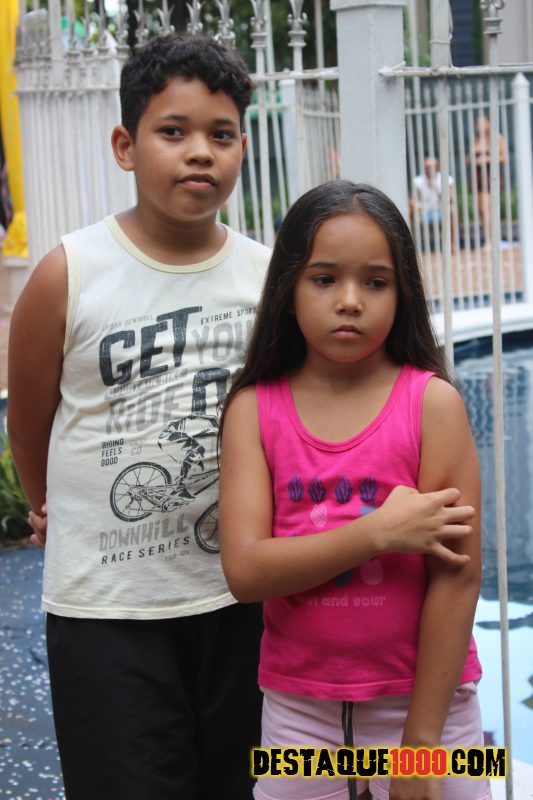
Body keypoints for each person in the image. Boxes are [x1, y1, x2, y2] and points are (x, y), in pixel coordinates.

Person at [8, 33, 272, 800]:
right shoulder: (70, 274)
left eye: (220, 134)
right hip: (106, 613)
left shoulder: (266, 277)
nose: (199, 152)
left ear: (242, 147)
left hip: (239, 601)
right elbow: (30, 419)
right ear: (125, 146)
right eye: (173, 131)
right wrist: (49, 505)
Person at [219, 180, 490, 800]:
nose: (349, 301)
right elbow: (246, 572)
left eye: (376, 282)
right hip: (299, 711)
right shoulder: (253, 411)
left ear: (403, 292)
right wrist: (377, 533)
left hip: (431, 709)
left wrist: (421, 745)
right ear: (288, 289)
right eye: (324, 279)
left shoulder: (432, 405)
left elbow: (459, 577)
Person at [471, 115, 506, 243]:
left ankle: (491, 240)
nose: (479, 126)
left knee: (487, 210)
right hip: (478, 176)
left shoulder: (497, 138)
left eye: (482, 123)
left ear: (488, 124)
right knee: (481, 210)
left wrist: (486, 159)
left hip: (491, 175)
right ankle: (489, 238)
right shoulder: (476, 140)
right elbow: (469, 158)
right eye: (477, 123)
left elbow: (504, 157)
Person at [410, 156, 455, 249]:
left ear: (437, 167)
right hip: (423, 211)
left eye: (430, 167)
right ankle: (411, 244)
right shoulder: (417, 181)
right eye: (426, 167)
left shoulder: (447, 180)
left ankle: (453, 244)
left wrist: (436, 188)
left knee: (452, 210)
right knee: (409, 209)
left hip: (441, 211)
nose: (427, 170)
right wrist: (414, 204)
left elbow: (451, 199)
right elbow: (414, 199)